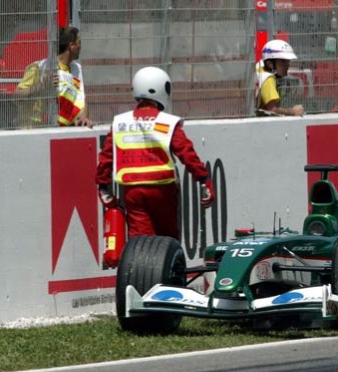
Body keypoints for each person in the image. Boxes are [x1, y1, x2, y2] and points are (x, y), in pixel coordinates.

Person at [95, 67, 214, 239]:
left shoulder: (120, 122)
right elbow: (186, 153)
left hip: (132, 191)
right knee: (167, 241)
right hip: (163, 189)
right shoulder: (167, 122)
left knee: (140, 243)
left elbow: (106, 157)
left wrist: (103, 186)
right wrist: (204, 180)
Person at [15, 26, 93, 128]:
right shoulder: (39, 67)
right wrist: (41, 87)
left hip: (62, 130)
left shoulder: (76, 69)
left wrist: (84, 119)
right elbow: (17, 95)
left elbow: (81, 99)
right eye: (79, 43)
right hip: (33, 130)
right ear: (71, 45)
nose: (81, 47)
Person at [255, 39, 305, 117]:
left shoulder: (259, 68)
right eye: (283, 62)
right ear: (270, 64)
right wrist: (293, 111)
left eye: (288, 61)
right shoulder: (268, 78)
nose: (287, 65)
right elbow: (272, 109)